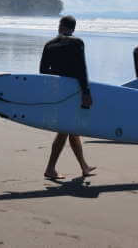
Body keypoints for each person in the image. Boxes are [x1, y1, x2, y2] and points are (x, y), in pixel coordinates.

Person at [39, 15, 96, 179]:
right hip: (73, 91)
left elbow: (43, 71)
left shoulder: (49, 45)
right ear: (73, 28)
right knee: (66, 128)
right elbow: (81, 68)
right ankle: (50, 168)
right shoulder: (76, 42)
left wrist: (58, 82)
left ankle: (84, 166)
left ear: (60, 26)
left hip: (57, 91)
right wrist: (86, 92)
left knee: (71, 128)